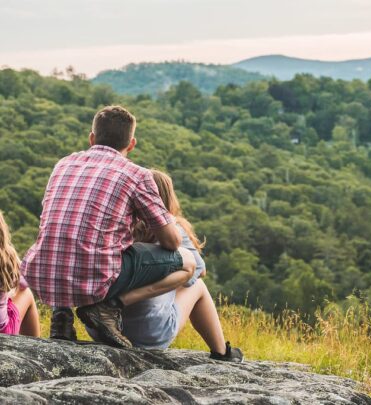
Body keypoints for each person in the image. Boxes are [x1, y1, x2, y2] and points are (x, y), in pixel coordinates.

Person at [21, 105, 196, 348]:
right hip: (97, 278)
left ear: (92, 138)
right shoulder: (137, 174)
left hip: (41, 274)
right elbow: (171, 242)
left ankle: (61, 317)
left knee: (65, 240)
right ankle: (109, 308)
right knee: (188, 262)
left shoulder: (64, 163)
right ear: (131, 144)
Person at [118, 170, 243, 362]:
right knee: (198, 286)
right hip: (150, 335)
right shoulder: (172, 229)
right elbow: (199, 271)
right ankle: (221, 351)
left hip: (108, 328)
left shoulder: (118, 227)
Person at [0, 211, 40, 337]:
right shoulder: (6, 255)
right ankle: (34, 347)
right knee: (26, 293)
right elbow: (24, 282)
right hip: (3, 331)